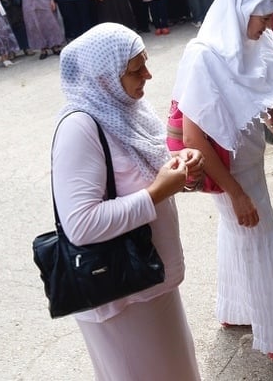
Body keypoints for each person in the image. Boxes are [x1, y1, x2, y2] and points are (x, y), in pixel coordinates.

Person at [171, 0, 273, 375]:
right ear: (239, 12)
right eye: (261, 17)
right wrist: (235, 192)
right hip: (230, 173)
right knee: (266, 243)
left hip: (247, 165)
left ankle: (238, 309)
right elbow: (194, 140)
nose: (266, 25)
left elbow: (260, 93)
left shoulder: (248, 43)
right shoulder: (204, 56)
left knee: (240, 234)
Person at [52, 23, 204, 380]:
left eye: (145, 64)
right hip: (120, 296)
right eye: (135, 70)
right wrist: (157, 193)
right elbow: (81, 224)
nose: (148, 75)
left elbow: (141, 177)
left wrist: (181, 176)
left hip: (147, 281)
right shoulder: (81, 128)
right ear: (103, 76)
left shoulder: (125, 110)